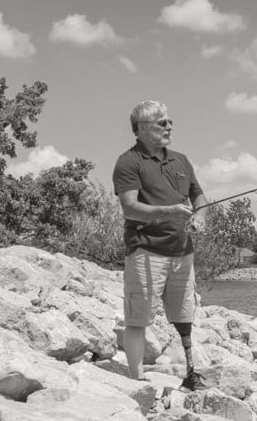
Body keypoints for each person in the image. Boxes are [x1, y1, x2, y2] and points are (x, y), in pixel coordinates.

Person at [112, 99, 206, 389]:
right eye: (161, 123)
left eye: (170, 122)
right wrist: (169, 211)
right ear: (141, 128)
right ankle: (137, 379)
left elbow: (200, 197)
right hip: (145, 250)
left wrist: (200, 217)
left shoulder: (181, 160)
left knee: (185, 315)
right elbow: (130, 208)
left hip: (182, 251)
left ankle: (192, 373)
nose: (169, 126)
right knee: (138, 318)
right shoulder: (128, 162)